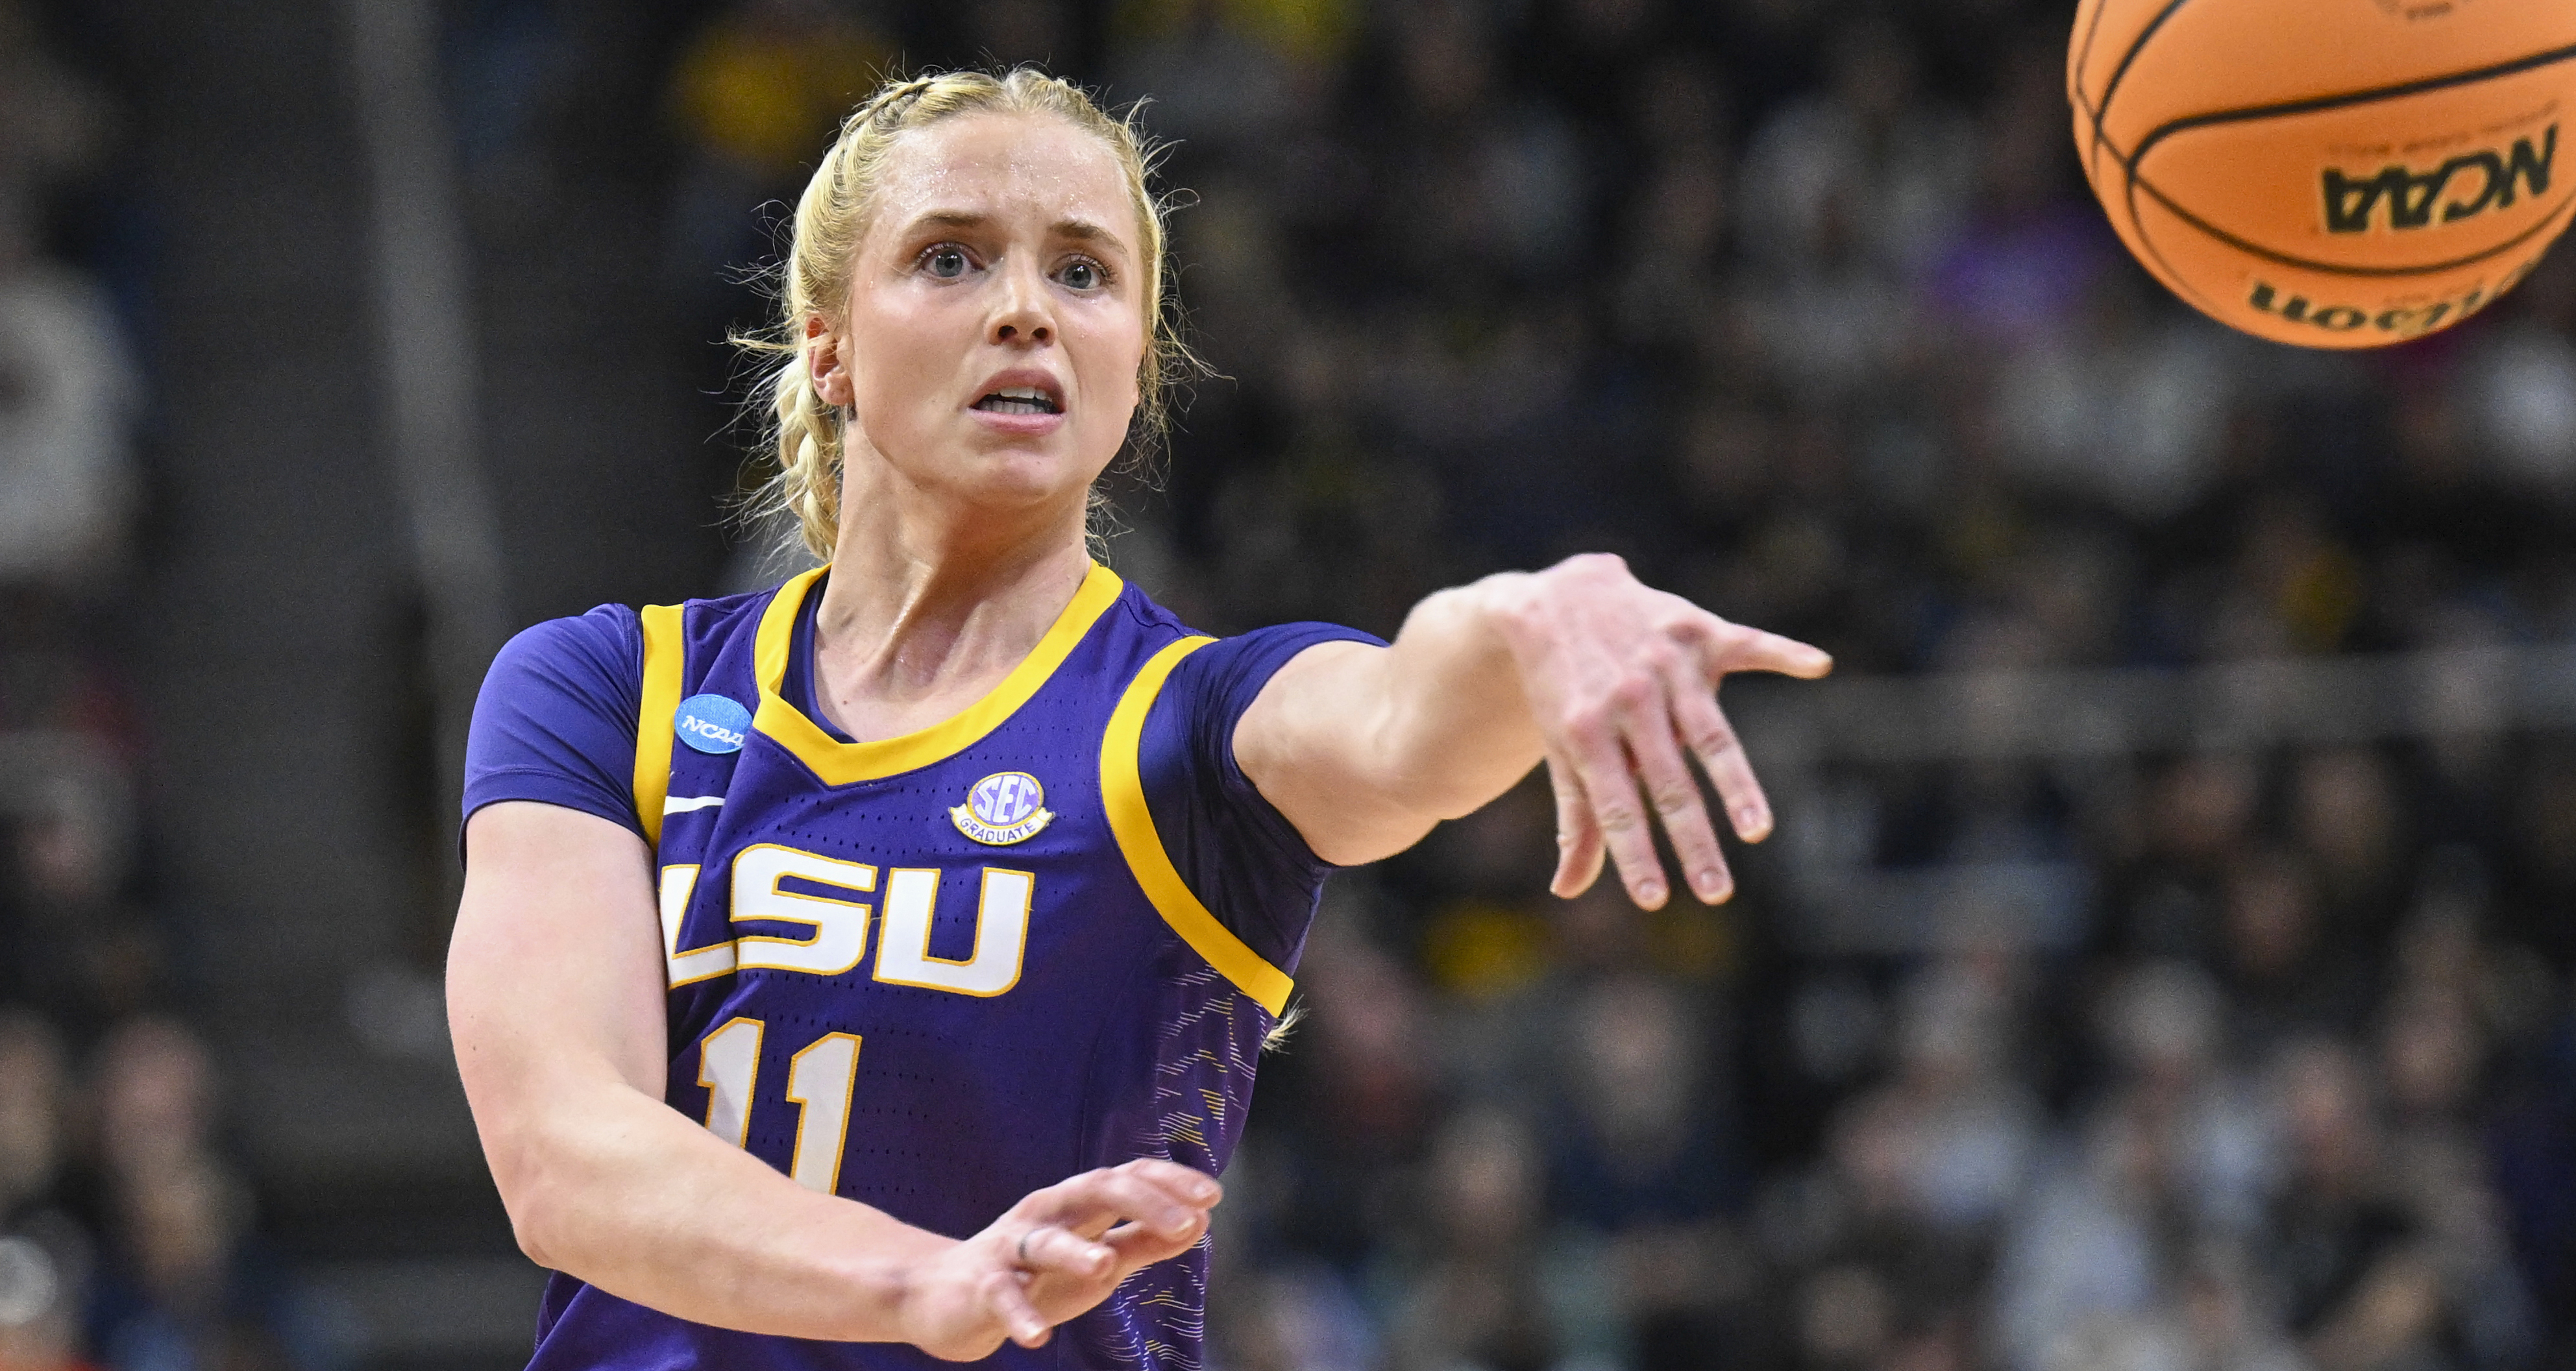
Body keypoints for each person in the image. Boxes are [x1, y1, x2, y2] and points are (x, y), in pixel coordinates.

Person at [445, 69, 1830, 1370]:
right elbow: (563, 1152)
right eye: (949, 256)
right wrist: (925, 1283)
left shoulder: (1193, 719)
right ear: (828, 346)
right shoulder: (604, 691)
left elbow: (1405, 720)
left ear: (1130, 369)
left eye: (1083, 271)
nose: (1025, 308)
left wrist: (1527, 620)